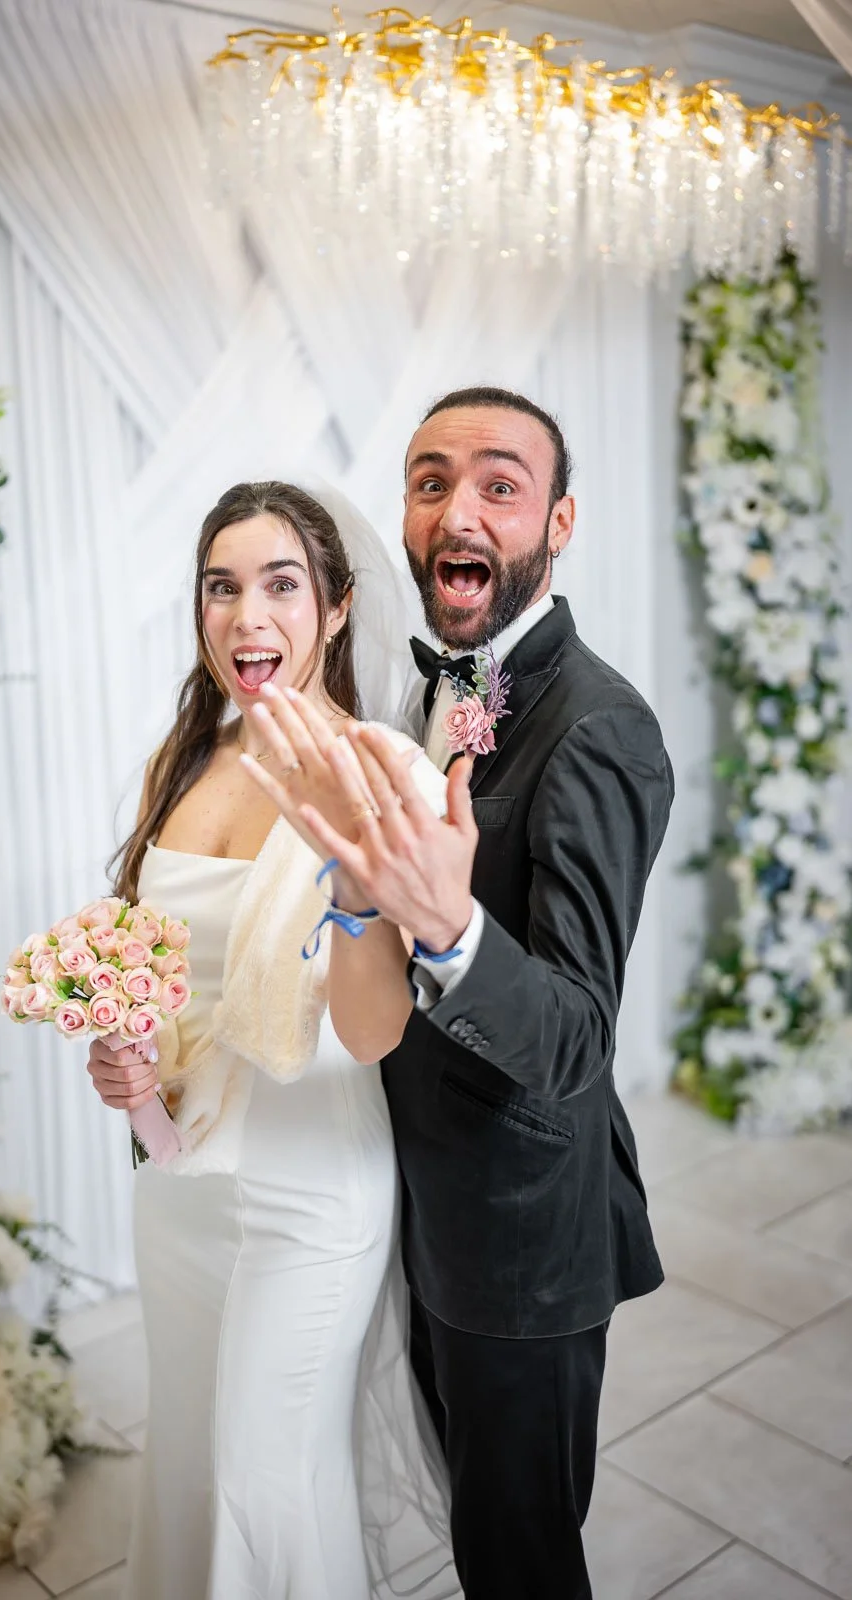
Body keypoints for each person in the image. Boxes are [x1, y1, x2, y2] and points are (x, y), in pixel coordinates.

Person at [248, 388, 674, 1600]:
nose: (457, 508)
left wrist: (447, 924)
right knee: (467, 1514)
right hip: (416, 1199)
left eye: (498, 482)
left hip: (521, 1236)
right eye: (430, 481)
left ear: (559, 519)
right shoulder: (407, 690)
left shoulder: (601, 729)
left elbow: (576, 1036)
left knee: (519, 1555)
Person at [84, 481, 459, 1600]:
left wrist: (350, 873)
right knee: (195, 1470)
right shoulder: (182, 762)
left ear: (337, 608)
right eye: (221, 586)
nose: (247, 616)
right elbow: (159, 980)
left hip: (308, 1190)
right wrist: (126, 1061)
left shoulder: (386, 771)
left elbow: (373, 1026)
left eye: (280, 584)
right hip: (182, 1178)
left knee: (266, 1481)